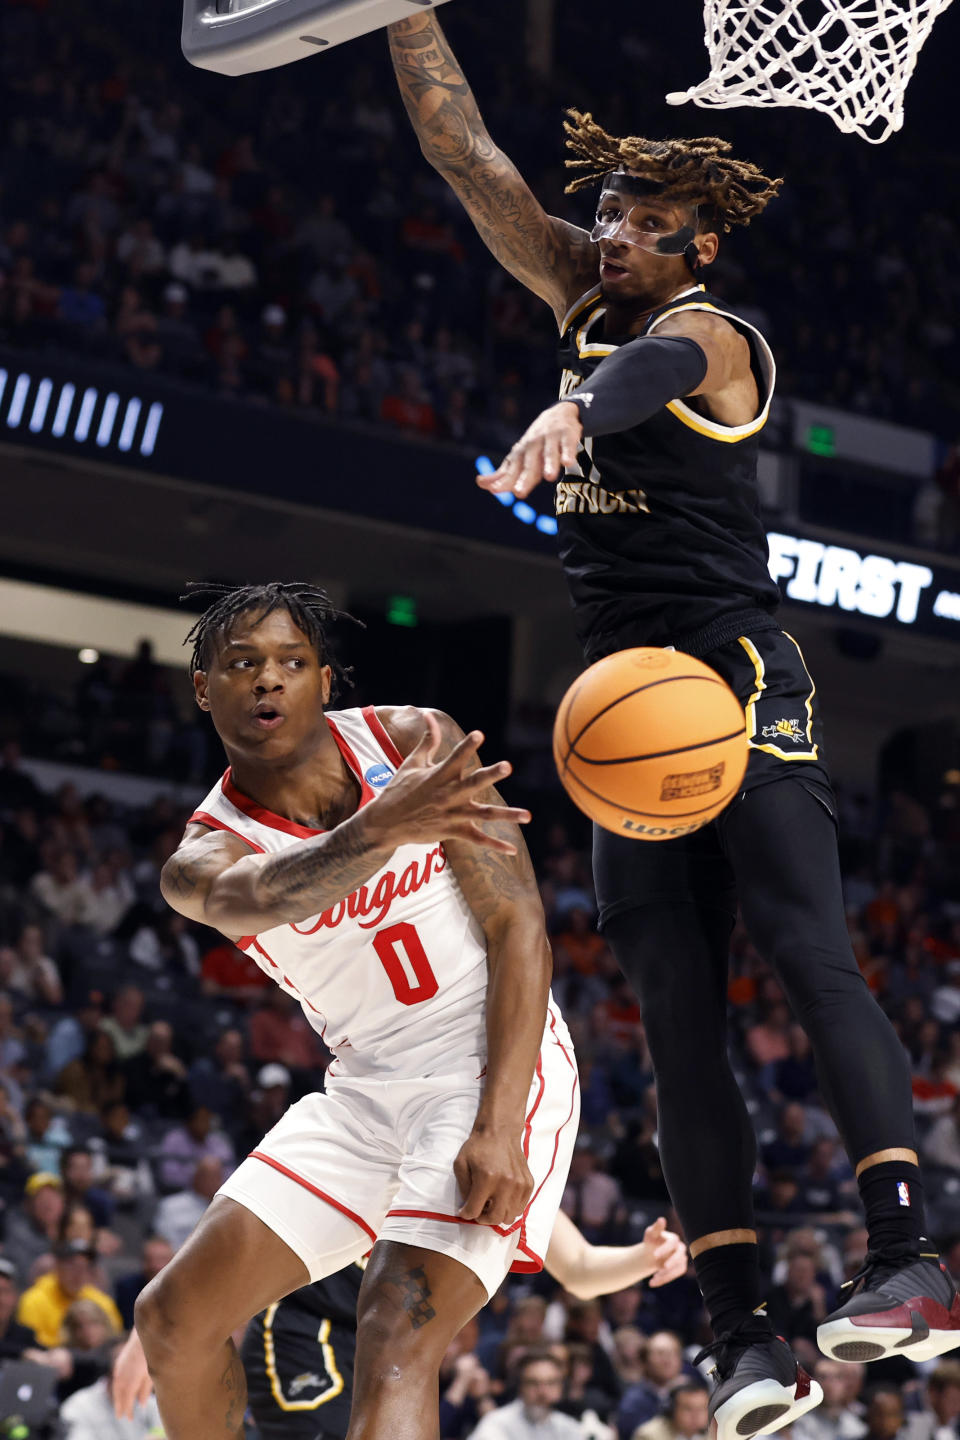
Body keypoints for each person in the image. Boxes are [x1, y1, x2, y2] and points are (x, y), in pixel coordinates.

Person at [388, 12, 960, 1439]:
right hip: (619, 705)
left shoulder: (713, 337)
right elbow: (466, 158)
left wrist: (576, 409)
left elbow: (643, 376)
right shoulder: (582, 296)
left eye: (651, 225)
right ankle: (743, 1334)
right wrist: (401, 14)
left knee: (806, 947)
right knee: (675, 1021)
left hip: (733, 674)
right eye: (611, 217)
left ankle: (911, 1261)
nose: (620, 237)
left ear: (703, 248)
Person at [132, 580, 580, 1440]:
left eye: (291, 663)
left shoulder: (417, 742)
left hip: (488, 1060)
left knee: (397, 1335)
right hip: (367, 1089)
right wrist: (380, 830)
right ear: (203, 689)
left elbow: (518, 926)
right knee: (174, 1318)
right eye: (242, 665)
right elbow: (260, 892)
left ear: (325, 680)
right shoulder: (203, 855)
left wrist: (498, 1122)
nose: (269, 682)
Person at [113, 1209, 688, 1436]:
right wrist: (163, 1324)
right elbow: (258, 1210)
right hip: (312, 1334)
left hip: (400, 1357)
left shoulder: (517, 1159)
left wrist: (644, 1257)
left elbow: (582, 1269)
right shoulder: (390, 1110)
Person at [16, 1238, 122, 1347]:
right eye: (72, 1266)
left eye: (85, 1267)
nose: (78, 1274)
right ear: (57, 1266)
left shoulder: (102, 1302)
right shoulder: (33, 1300)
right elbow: (31, 1344)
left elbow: (115, 1339)